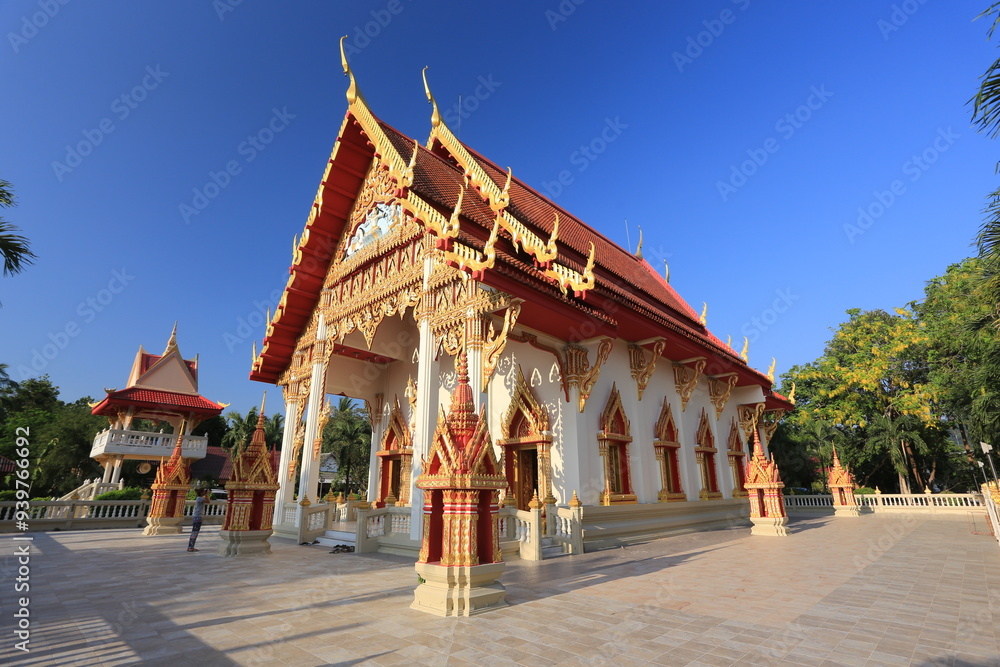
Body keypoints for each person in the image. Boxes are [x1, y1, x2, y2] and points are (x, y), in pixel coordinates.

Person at [187, 488, 207, 552]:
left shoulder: (199, 498)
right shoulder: (200, 498)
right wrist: (207, 494)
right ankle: (190, 547)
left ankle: (191, 546)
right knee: (194, 533)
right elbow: (208, 501)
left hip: (197, 517)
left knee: (194, 532)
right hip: (198, 517)